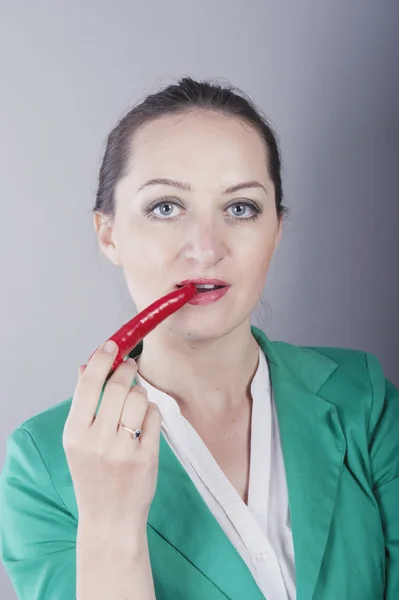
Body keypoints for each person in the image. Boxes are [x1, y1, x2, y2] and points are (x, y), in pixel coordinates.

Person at [0, 76, 398, 600]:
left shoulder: (362, 397)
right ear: (109, 233)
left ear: (276, 230)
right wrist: (109, 527)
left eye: (240, 208)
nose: (206, 249)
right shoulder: (43, 465)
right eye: (166, 207)